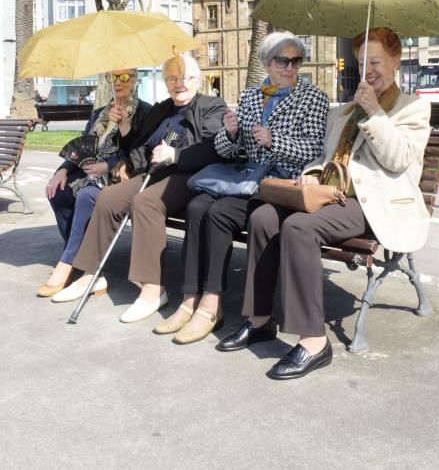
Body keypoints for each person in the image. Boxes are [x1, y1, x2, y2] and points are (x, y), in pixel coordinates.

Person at [217, 27, 431, 380]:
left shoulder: (412, 108)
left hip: (371, 202)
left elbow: (398, 158)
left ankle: (314, 340)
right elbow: (324, 155)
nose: (368, 71)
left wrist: (375, 112)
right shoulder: (346, 109)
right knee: (264, 216)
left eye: (375, 62)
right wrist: (313, 173)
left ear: (395, 61)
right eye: (361, 63)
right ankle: (259, 319)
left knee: (299, 226)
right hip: (330, 194)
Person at [154, 32, 329, 344]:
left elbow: (315, 151)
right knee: (196, 207)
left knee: (219, 212)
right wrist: (231, 133)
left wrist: (276, 140)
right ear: (266, 63)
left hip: (279, 184)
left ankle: (211, 304)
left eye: (296, 61)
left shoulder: (312, 97)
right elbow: (227, 151)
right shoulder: (250, 96)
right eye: (282, 60)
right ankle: (190, 297)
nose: (290, 67)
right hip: (246, 178)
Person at [51, 55, 227, 323]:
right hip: (154, 173)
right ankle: (90, 274)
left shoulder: (212, 106)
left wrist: (175, 155)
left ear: (197, 79)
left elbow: (214, 149)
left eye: (185, 78)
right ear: (165, 82)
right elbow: (137, 146)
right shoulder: (161, 109)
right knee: (108, 197)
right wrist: (124, 127)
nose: (179, 84)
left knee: (145, 203)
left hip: (190, 175)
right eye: (172, 78)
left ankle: (153, 289)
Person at [38, 69, 151, 297]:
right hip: (90, 172)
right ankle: (78, 255)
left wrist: (109, 163)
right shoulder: (99, 113)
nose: (119, 82)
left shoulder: (145, 112)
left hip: (120, 175)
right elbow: (82, 148)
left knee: (86, 195)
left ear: (135, 80)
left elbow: (140, 155)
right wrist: (61, 171)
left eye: (125, 77)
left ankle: (68, 261)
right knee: (58, 191)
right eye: (114, 77)